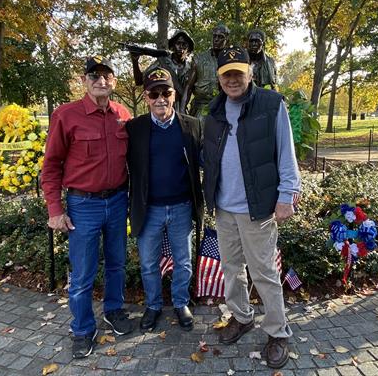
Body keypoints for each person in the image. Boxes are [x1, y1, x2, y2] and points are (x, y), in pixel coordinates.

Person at [202, 46, 301, 369]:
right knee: (231, 269)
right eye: (226, 74)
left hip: (257, 208)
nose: (232, 79)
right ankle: (242, 317)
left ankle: (277, 331)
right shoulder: (215, 112)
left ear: (250, 73)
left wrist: (287, 194)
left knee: (264, 273)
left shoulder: (271, 106)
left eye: (238, 72)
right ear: (219, 78)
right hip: (224, 207)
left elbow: (286, 153)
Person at [41, 56, 133, 359]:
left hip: (118, 201)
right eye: (94, 75)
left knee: (117, 262)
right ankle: (82, 329)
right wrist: (55, 209)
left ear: (114, 82)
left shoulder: (123, 115)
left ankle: (113, 311)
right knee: (82, 273)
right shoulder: (66, 116)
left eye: (107, 76)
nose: (100, 81)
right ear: (84, 80)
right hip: (83, 204)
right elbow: (52, 165)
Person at [126, 68, 204, 333]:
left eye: (166, 92)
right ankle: (153, 305)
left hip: (182, 206)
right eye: (154, 93)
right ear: (147, 97)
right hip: (149, 208)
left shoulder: (192, 125)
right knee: (148, 263)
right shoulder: (134, 128)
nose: (161, 98)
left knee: (183, 262)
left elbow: (207, 162)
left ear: (175, 94)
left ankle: (181, 303)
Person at [131, 30, 194, 114]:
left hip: (182, 112)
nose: (181, 47)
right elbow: (139, 81)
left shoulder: (191, 68)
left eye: (184, 44)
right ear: (172, 46)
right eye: (178, 43)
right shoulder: (162, 63)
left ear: (188, 49)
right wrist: (135, 61)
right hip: (162, 110)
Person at [183, 24, 230, 117]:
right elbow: (188, 87)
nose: (216, 40)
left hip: (224, 108)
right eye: (214, 36)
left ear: (227, 40)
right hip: (201, 107)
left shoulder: (231, 60)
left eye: (220, 37)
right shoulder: (199, 59)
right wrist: (182, 110)